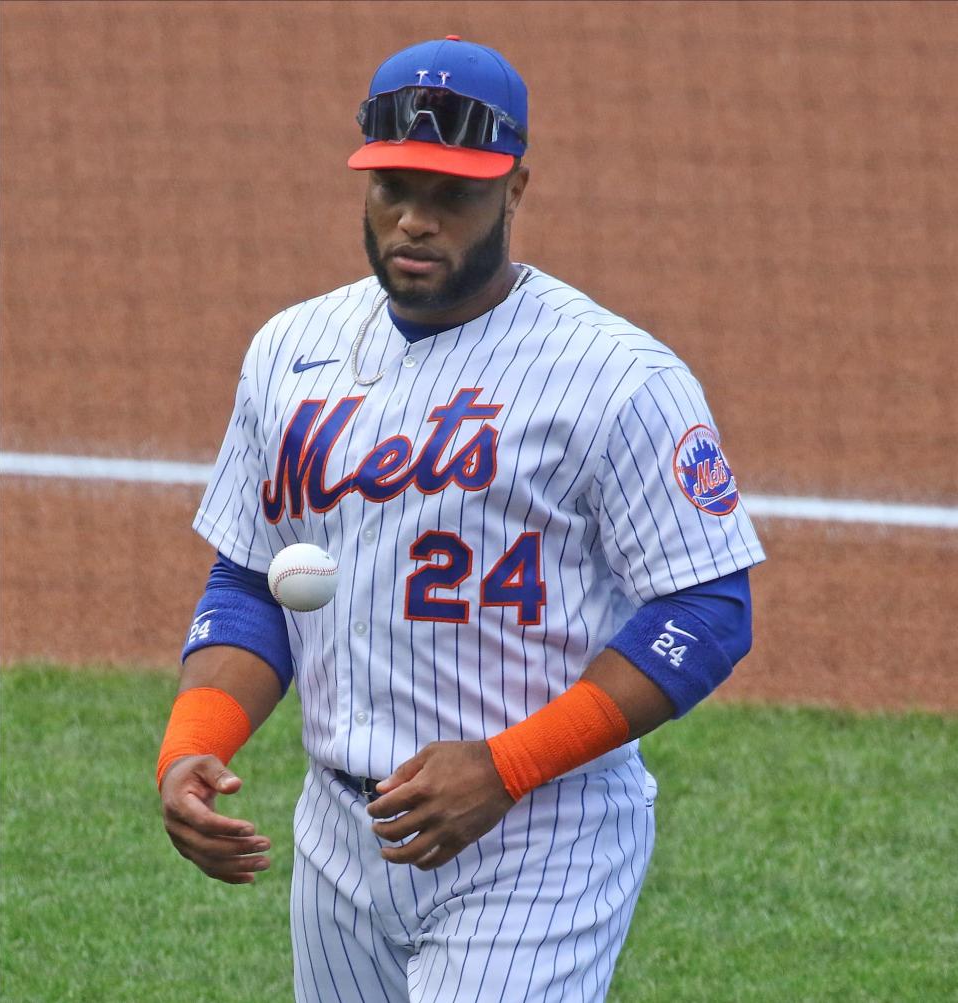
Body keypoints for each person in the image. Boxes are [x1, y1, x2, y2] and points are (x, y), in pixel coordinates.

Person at [158, 36, 765, 1003]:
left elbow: (709, 607)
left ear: (515, 188)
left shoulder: (618, 378)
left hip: (538, 837)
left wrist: (502, 766)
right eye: (394, 186)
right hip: (339, 837)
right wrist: (193, 739)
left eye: (453, 193)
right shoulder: (291, 350)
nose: (416, 220)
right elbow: (250, 578)